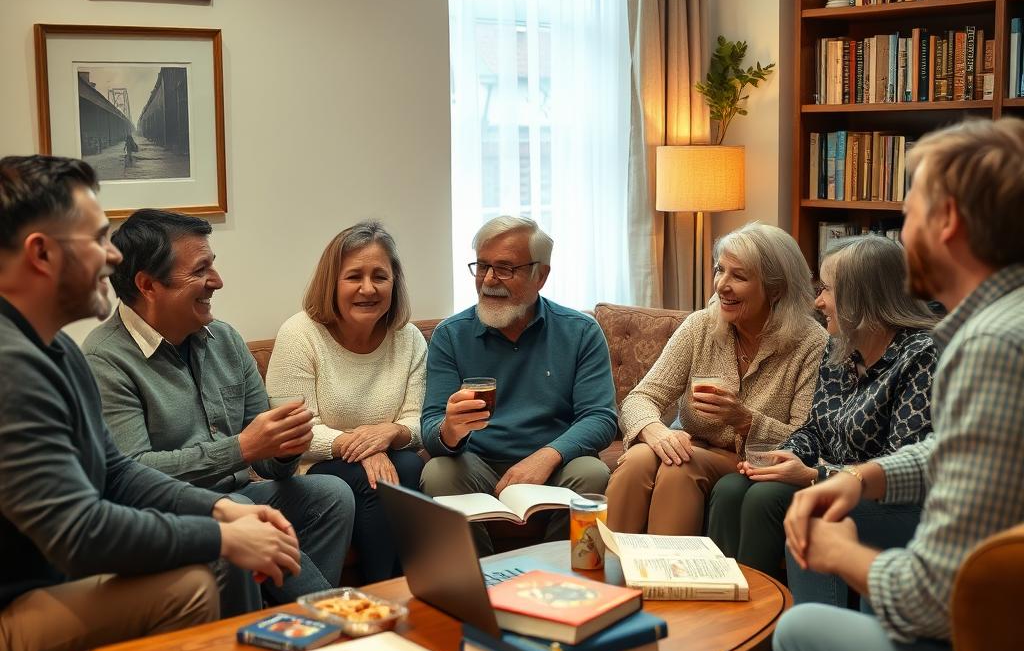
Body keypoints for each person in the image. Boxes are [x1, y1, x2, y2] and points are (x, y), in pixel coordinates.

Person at [0, 155, 302, 651]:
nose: (112, 256)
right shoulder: (11, 365)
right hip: (17, 605)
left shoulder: (53, 349)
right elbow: (79, 532)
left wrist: (219, 511)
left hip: (50, 583)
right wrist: (223, 537)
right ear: (42, 253)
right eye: (97, 239)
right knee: (190, 586)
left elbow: (116, 471)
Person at [775, 117, 1024, 651]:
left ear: (947, 223)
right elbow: (965, 450)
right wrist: (866, 477)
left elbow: (929, 600)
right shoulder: (1005, 323)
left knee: (800, 635)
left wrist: (836, 553)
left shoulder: (991, 345)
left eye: (906, 214)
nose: (900, 232)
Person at [83, 209, 354, 616]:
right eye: (201, 270)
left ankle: (289, 621)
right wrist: (242, 448)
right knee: (237, 533)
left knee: (331, 495)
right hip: (167, 514)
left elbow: (272, 466)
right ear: (148, 285)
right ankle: (325, 617)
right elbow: (131, 472)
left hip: (240, 495)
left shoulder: (224, 339)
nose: (217, 281)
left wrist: (282, 448)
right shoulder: (104, 360)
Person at [705, 235, 936, 600]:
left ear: (862, 296)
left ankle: (767, 625)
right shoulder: (841, 346)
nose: (818, 301)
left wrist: (815, 475)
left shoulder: (921, 356)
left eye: (827, 289)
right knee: (731, 489)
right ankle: (721, 606)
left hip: (892, 504)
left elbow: (900, 467)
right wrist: (789, 452)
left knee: (769, 500)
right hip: (830, 481)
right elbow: (815, 426)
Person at [606, 222, 827, 536]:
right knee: (640, 457)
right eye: (719, 270)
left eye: (739, 276)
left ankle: (668, 579)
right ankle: (606, 571)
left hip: (748, 462)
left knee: (680, 467)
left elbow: (805, 438)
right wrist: (655, 431)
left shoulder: (810, 345)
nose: (721, 285)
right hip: (694, 448)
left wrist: (745, 420)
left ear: (775, 290)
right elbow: (641, 398)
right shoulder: (701, 326)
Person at [420, 216, 618, 554]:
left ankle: (556, 575)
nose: (488, 280)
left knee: (592, 471)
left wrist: (547, 456)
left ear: (540, 275)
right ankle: (482, 580)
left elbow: (600, 417)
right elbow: (431, 427)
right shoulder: (451, 335)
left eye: (505, 268)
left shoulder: (580, 331)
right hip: (475, 462)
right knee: (439, 472)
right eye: (482, 266)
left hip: (555, 462)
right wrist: (450, 430)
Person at [265, 222, 427, 583]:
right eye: (354, 276)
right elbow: (292, 430)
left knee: (410, 467)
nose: (368, 288)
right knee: (371, 481)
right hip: (313, 468)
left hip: (389, 459)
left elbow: (419, 420)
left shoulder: (409, 338)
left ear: (394, 283)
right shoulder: (300, 334)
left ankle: (409, 589)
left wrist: (390, 432)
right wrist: (357, 446)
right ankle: (385, 591)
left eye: (379, 276)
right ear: (332, 283)